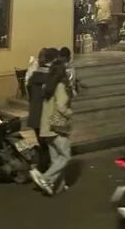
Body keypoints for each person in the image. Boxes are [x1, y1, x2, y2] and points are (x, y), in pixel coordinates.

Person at [32, 60, 73, 196]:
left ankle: (58, 186)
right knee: (66, 156)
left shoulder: (47, 86)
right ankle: (45, 178)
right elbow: (61, 106)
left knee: (56, 159)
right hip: (56, 128)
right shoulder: (60, 86)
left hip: (46, 128)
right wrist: (70, 113)